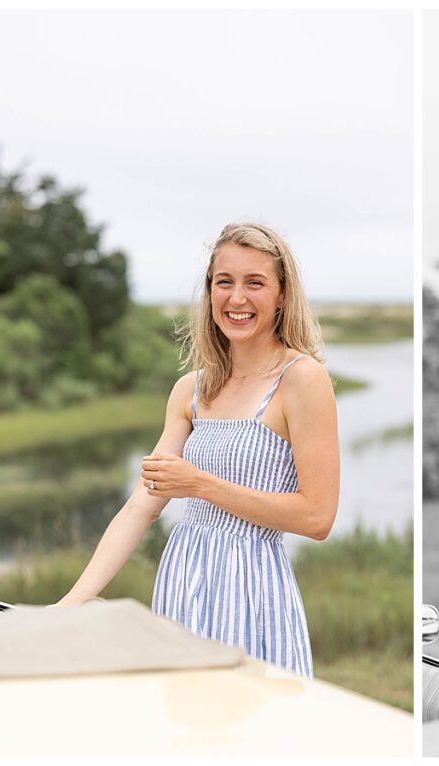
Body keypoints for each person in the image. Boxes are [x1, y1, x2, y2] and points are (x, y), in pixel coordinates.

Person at [57, 222, 339, 678]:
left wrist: (201, 484)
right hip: (182, 583)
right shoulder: (191, 390)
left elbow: (317, 517)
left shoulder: (303, 380)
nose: (237, 298)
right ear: (209, 293)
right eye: (224, 282)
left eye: (255, 283)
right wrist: (71, 602)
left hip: (253, 590)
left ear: (282, 295)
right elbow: (140, 510)